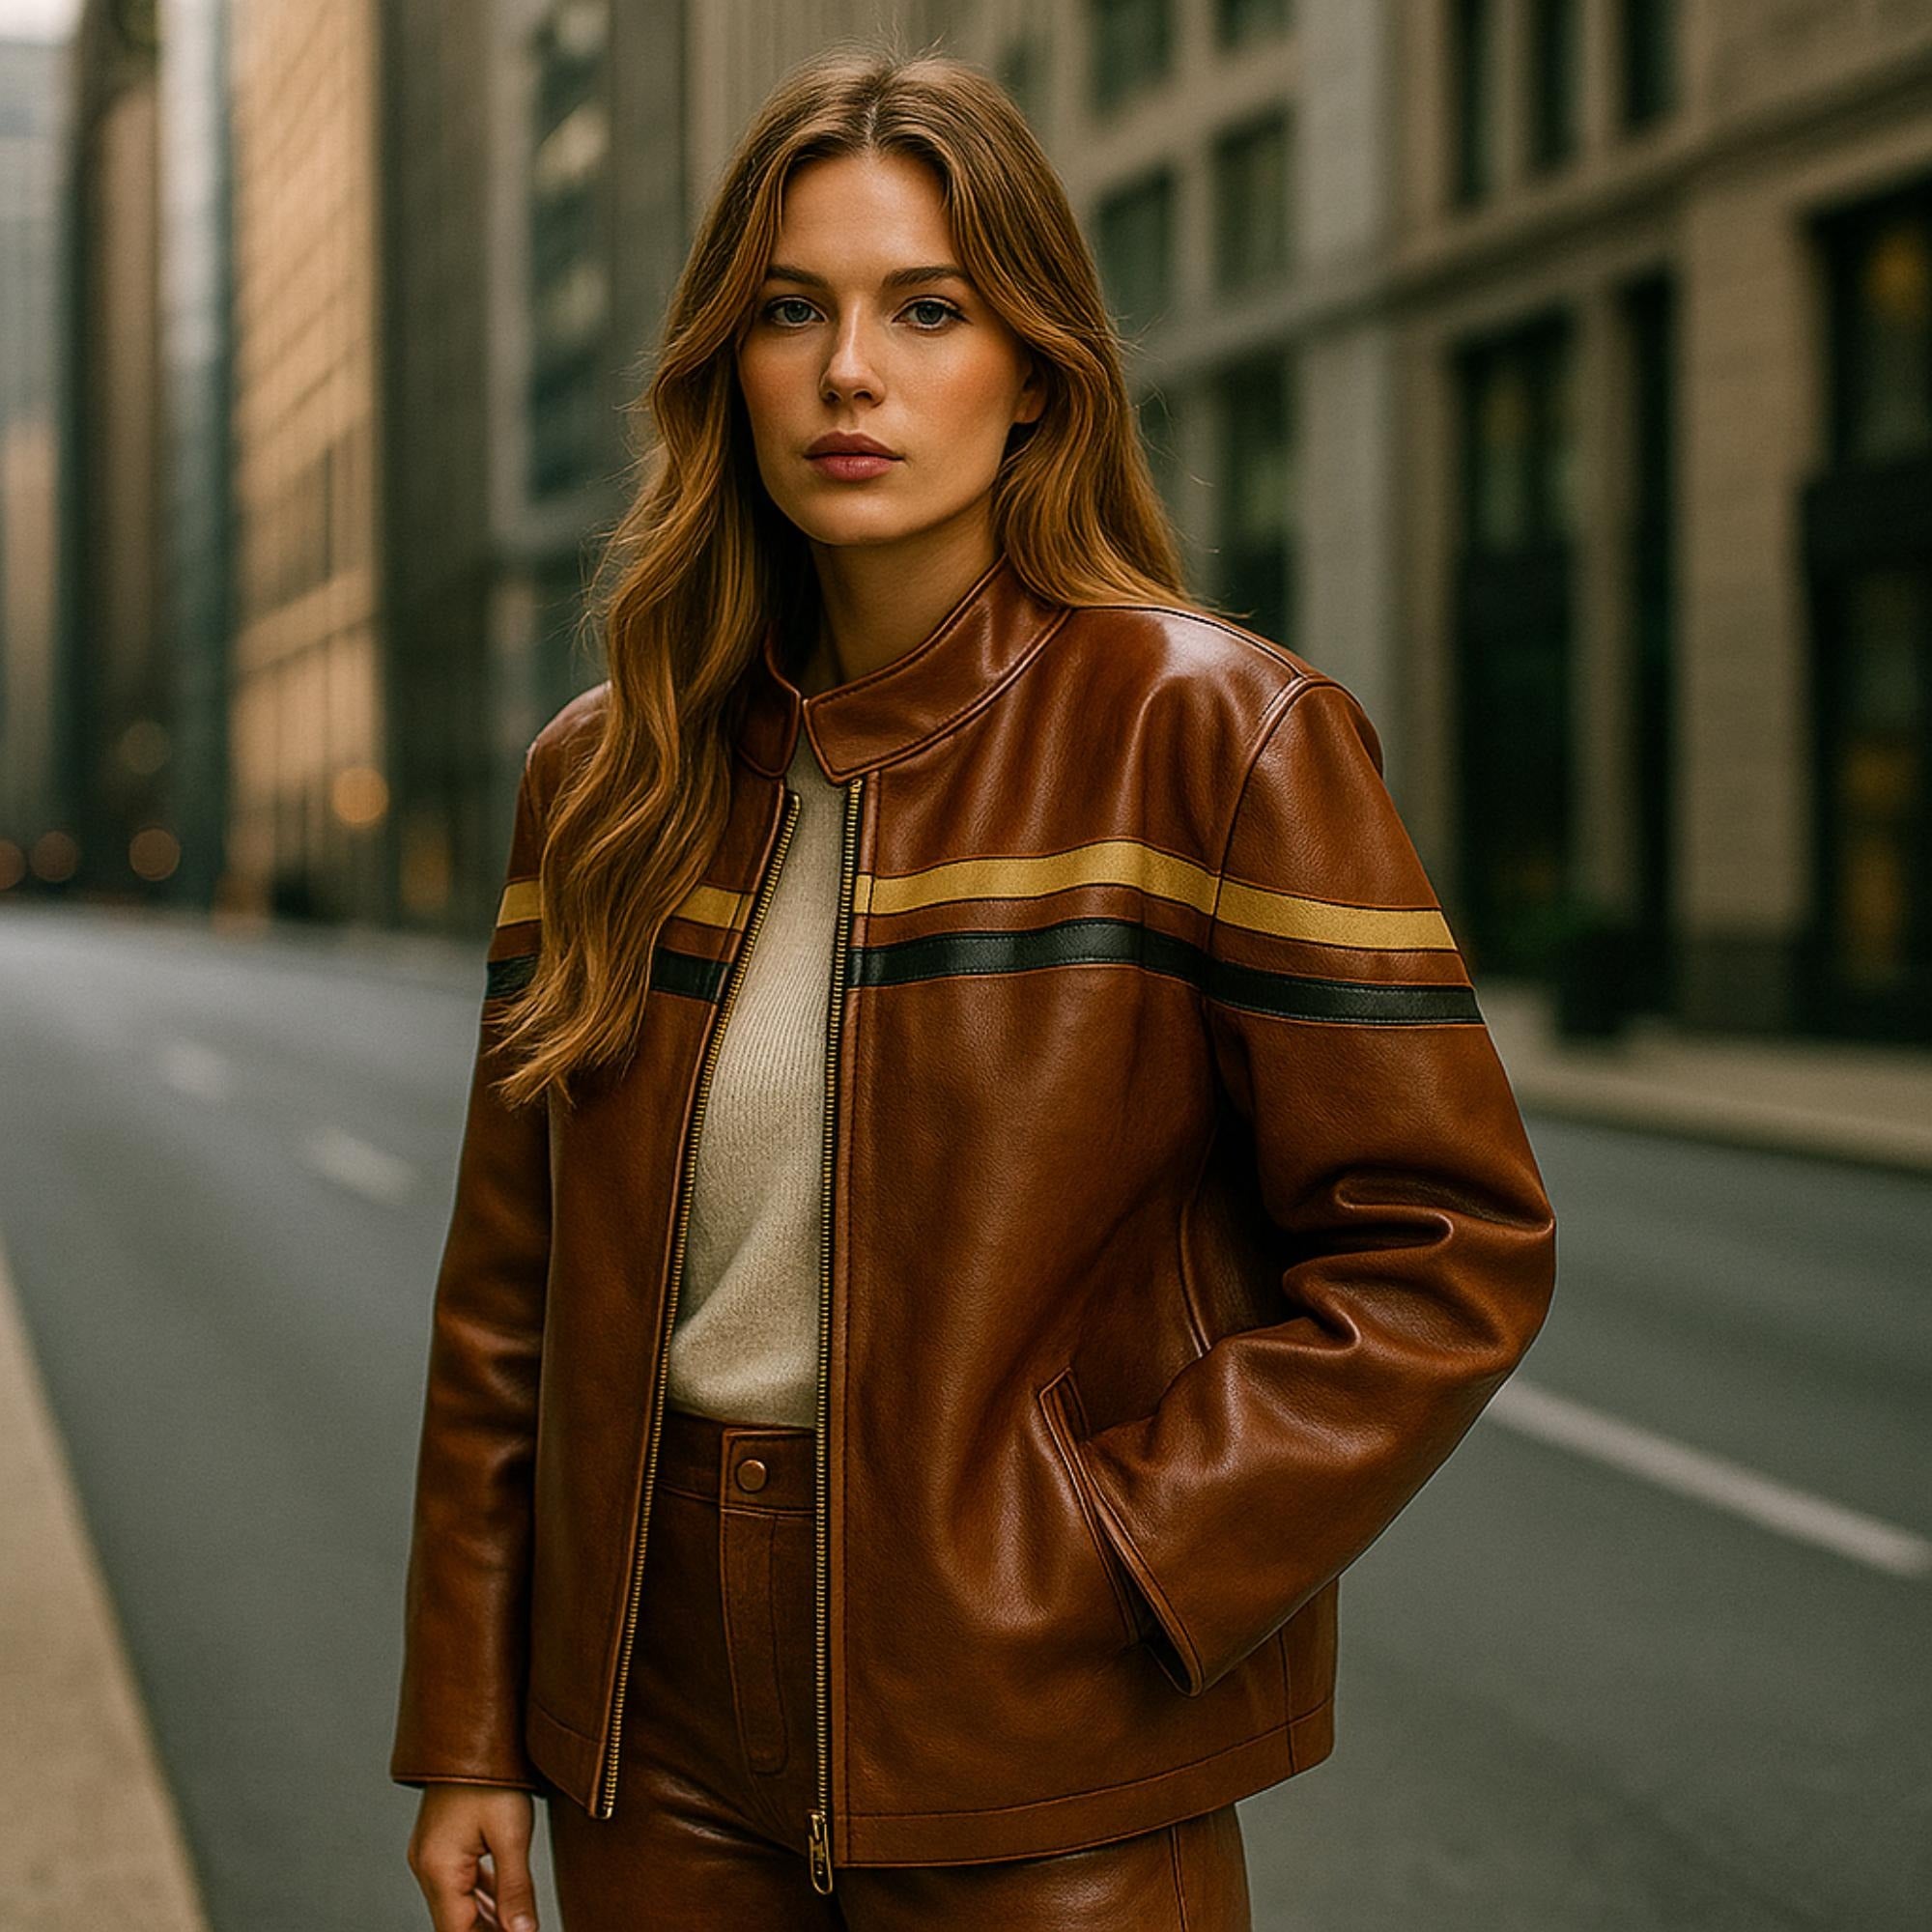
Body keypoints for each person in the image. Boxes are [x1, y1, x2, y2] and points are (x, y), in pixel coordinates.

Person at [391, 43, 1558, 1932]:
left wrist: (1118, 1547)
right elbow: (507, 1304)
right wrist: (467, 1721)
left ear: (1032, 373)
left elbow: (1449, 1243)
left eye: (925, 307)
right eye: (793, 311)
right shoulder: (602, 779)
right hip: (652, 1719)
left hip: (1036, 1721)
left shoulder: (1216, 734)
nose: (851, 370)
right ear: (730, 370)